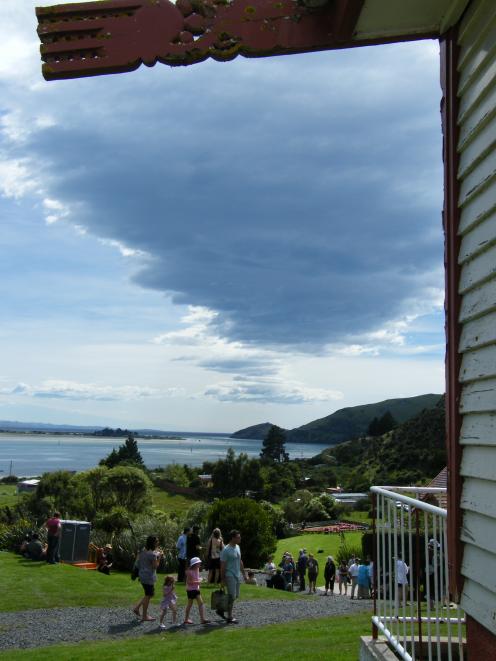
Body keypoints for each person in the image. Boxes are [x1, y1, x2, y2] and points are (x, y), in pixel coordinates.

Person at [133, 535, 163, 622]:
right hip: (148, 577)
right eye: (157, 541)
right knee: (148, 595)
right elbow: (155, 566)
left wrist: (156, 554)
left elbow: (141, 561)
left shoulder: (143, 551)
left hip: (142, 575)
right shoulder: (152, 554)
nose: (158, 543)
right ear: (153, 543)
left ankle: (137, 608)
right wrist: (159, 557)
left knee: (148, 594)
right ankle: (144, 616)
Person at [220, 529, 247, 623]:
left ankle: (221, 609)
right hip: (229, 574)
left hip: (237, 574)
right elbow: (222, 566)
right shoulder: (226, 550)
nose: (240, 538)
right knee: (231, 596)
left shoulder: (238, 547)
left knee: (236, 596)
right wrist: (222, 579)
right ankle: (230, 617)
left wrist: (244, 574)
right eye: (238, 537)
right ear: (233, 538)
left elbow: (240, 561)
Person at [184, 557, 210, 625]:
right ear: (194, 564)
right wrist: (198, 582)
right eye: (198, 563)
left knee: (200, 603)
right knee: (190, 604)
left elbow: (196, 578)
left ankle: (202, 619)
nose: (200, 564)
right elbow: (189, 582)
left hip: (195, 589)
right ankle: (187, 619)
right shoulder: (189, 572)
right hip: (191, 590)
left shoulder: (197, 569)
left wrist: (200, 579)